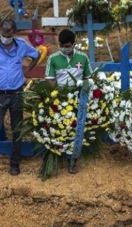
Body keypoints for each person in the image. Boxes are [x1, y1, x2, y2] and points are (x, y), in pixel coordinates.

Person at [0, 18, 39, 183]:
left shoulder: (21, 45)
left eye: (8, 34)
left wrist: (28, 69)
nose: (5, 37)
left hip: (17, 93)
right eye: (2, 33)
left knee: (17, 130)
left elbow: (36, 54)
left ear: (14, 32)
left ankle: (15, 162)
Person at [45, 28, 92, 174]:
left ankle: (74, 159)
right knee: (63, 129)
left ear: (74, 44)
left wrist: (86, 84)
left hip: (79, 99)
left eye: (68, 46)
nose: (65, 48)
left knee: (77, 129)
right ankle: (62, 156)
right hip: (61, 100)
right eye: (62, 46)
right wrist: (59, 95)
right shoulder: (53, 59)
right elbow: (50, 80)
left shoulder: (83, 58)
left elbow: (88, 77)